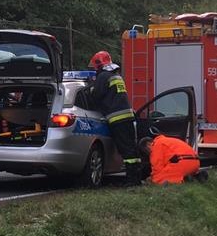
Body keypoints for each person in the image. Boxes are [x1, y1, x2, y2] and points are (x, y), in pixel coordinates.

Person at [85, 51, 141, 186]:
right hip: (127, 117)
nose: (95, 70)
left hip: (117, 119)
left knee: (126, 150)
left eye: (95, 67)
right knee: (131, 149)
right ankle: (136, 179)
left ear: (99, 65)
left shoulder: (103, 76)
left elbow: (96, 96)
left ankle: (131, 181)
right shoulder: (116, 75)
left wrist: (90, 88)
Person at [138, 134, 205, 185]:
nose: (148, 154)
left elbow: (157, 168)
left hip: (183, 163)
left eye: (146, 151)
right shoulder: (166, 140)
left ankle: (183, 179)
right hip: (196, 163)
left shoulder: (155, 146)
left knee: (158, 178)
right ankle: (194, 176)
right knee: (166, 171)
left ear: (148, 144)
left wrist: (151, 178)